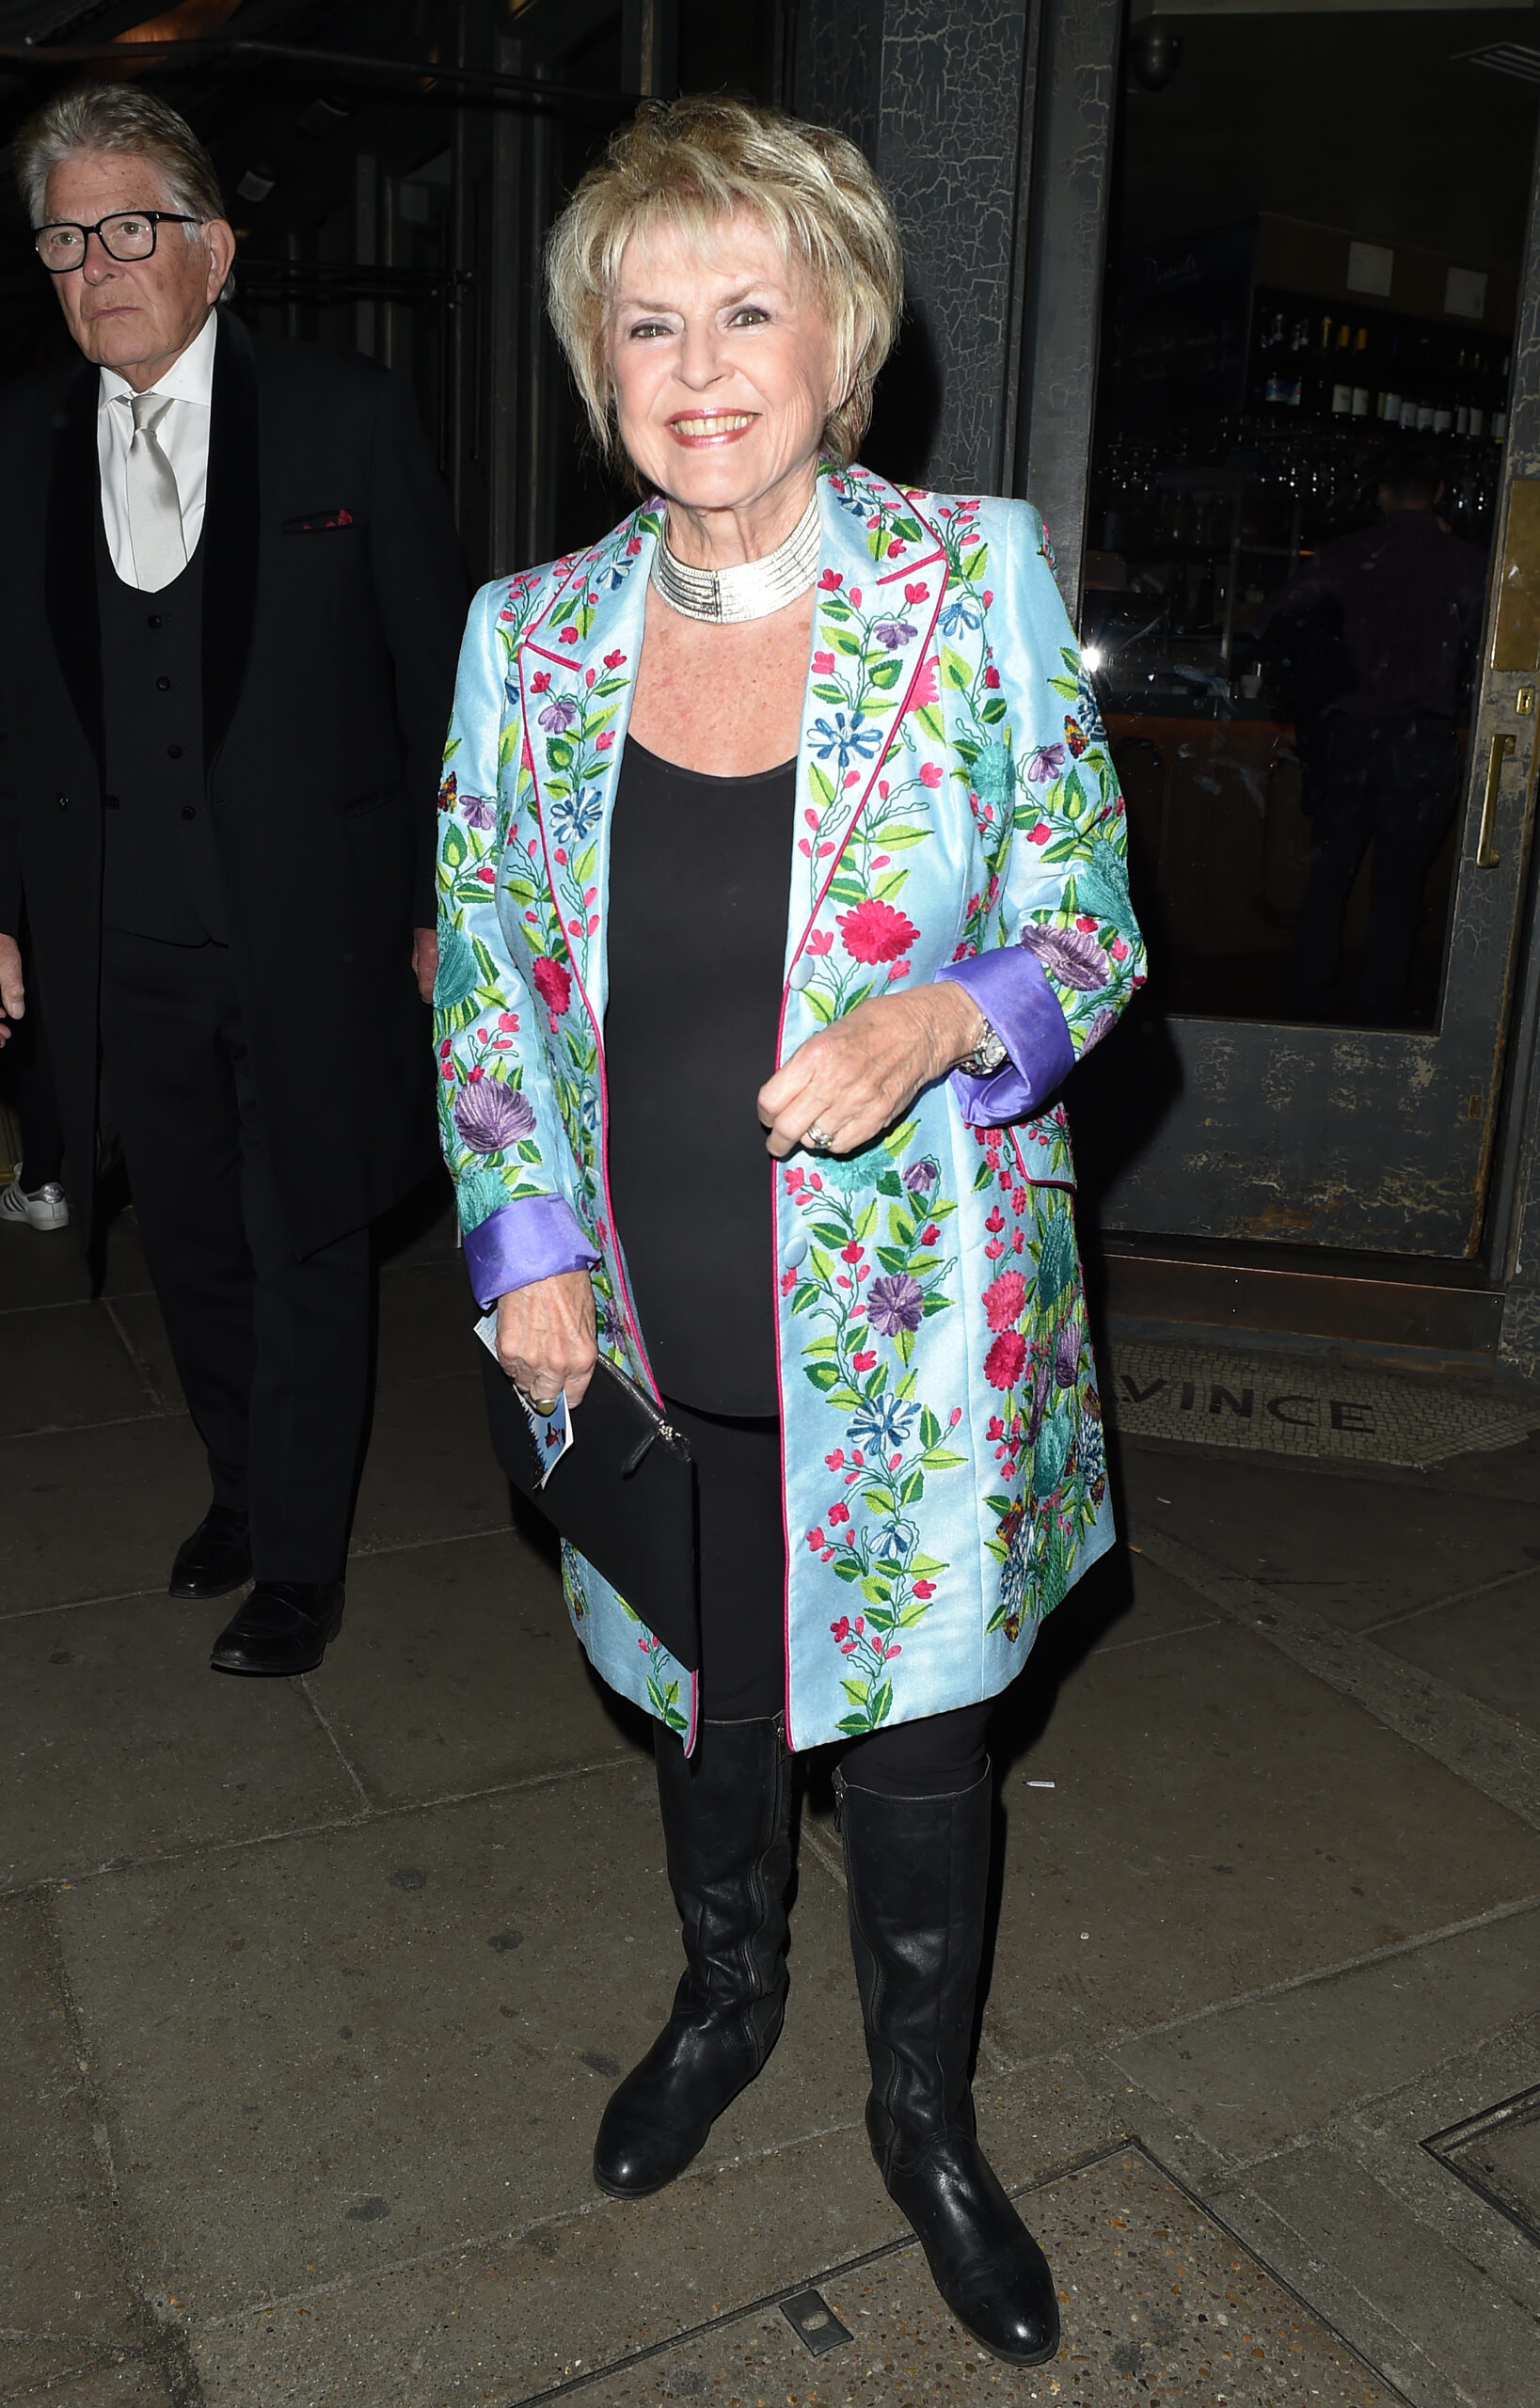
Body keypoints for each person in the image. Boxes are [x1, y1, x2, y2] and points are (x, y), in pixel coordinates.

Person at [436, 98, 1144, 2368]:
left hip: (909, 1322)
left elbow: (1090, 916)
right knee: (707, 1710)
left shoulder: (970, 576)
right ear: (592, 361)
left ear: (842, 340)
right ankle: (722, 1994)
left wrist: (949, 1010)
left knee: (919, 1745)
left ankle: (922, 2114)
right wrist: (518, 1242)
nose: (700, 362)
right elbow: (475, 961)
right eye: (647, 319)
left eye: (749, 308)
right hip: (637, 1312)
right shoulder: (522, 634)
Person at [0, 86, 466, 1673]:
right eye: (64, 238)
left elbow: (436, 684)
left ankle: (298, 1558)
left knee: (308, 1237)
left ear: (215, 249)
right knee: (187, 1240)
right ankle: (236, 1490)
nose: (93, 264)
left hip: (317, 928)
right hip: (117, 938)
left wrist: (437, 905)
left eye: (128, 228)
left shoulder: (346, 416)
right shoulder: (17, 442)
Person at [1262, 444, 1485, 1023]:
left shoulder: (1347, 554)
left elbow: (1278, 612)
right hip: (1423, 740)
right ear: (1439, 494)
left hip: (1352, 736)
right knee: (1399, 887)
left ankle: (1307, 1007)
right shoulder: (1464, 561)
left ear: (1382, 493)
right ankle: (1379, 1018)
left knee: (1329, 878)